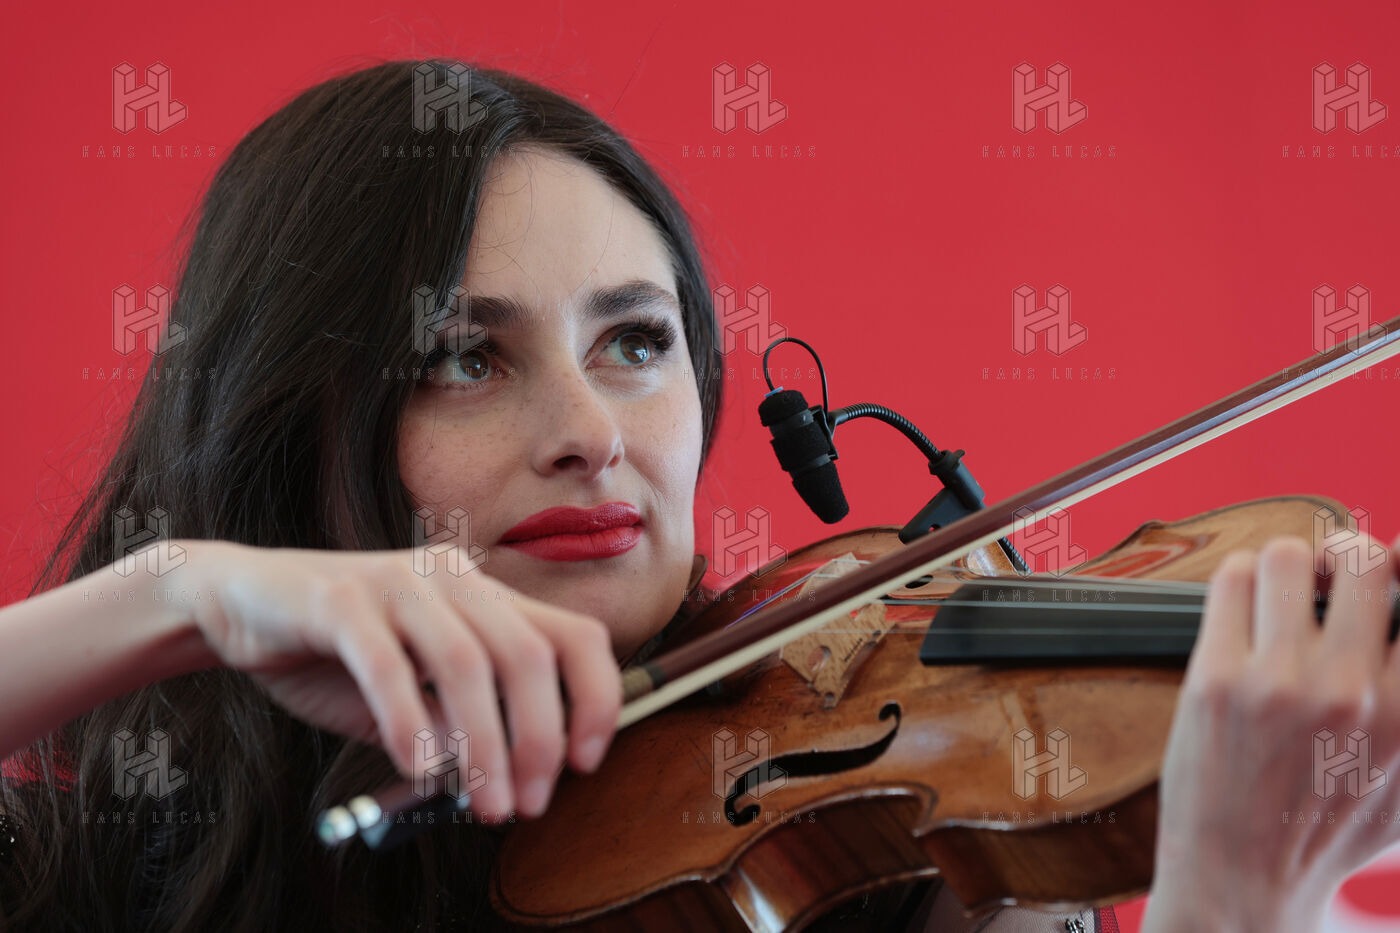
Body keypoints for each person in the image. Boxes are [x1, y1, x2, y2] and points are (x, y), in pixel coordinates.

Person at [0, 59, 1396, 933]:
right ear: (282, 417)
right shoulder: (99, 870)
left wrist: (1246, 907)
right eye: (464, 358)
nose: (591, 434)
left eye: (635, 342)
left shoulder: (894, 882)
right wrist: (181, 591)